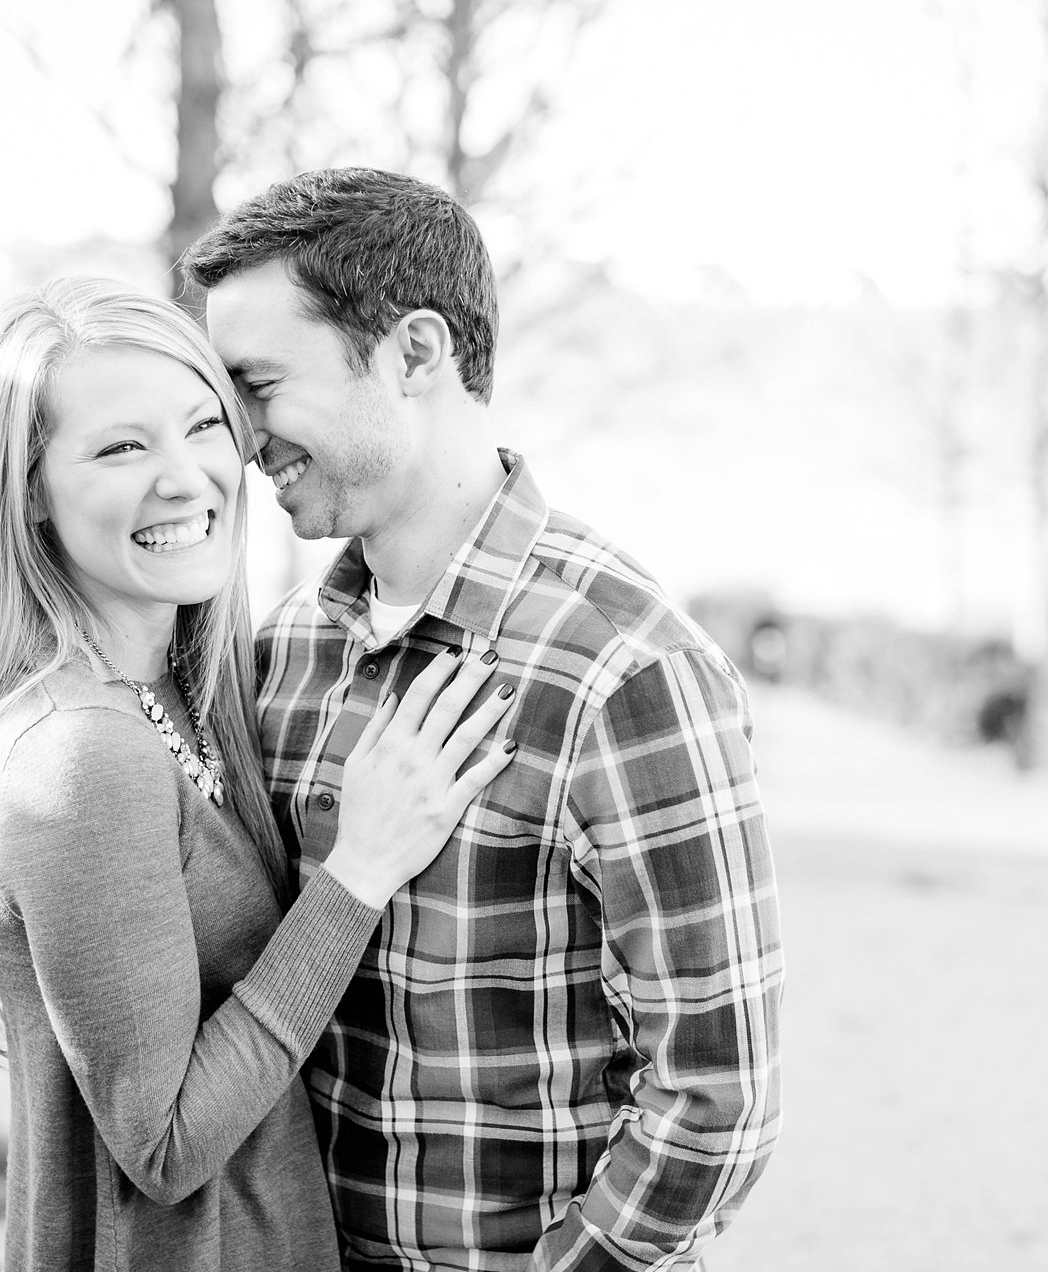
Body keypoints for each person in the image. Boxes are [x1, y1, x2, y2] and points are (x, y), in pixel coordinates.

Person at [190, 170, 785, 1271]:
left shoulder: (621, 668)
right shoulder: (281, 654)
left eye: (258, 384)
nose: (238, 439)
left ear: (414, 354)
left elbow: (712, 1099)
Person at [0, 277, 517, 1271]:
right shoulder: (77, 756)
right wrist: (356, 875)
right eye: (120, 446)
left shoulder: (185, 700)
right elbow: (164, 1144)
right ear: (27, 492)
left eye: (202, 426)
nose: (185, 477)